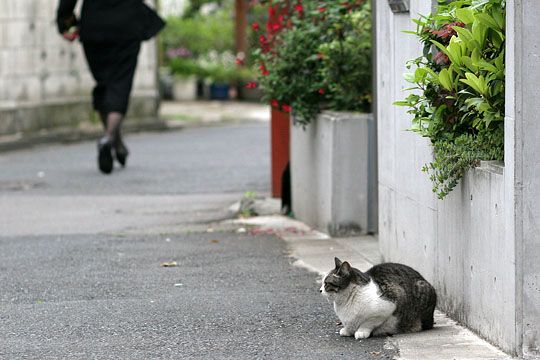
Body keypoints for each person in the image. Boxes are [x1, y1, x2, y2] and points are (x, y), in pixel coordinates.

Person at [56, 0, 165, 174]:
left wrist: (64, 22)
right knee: (120, 84)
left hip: (94, 26)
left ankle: (116, 143)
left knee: (104, 84)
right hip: (126, 24)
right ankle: (108, 138)